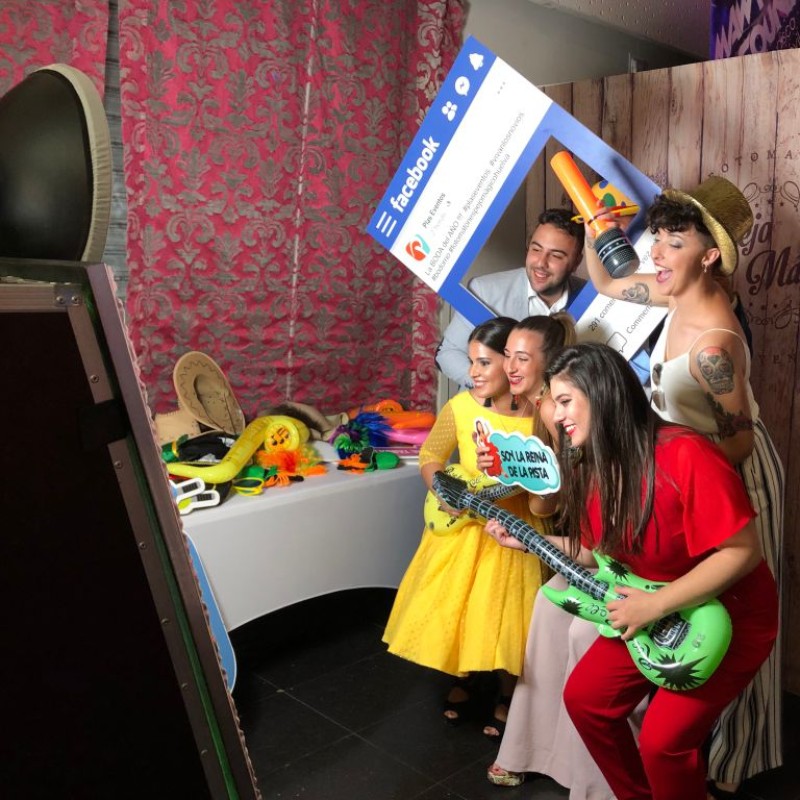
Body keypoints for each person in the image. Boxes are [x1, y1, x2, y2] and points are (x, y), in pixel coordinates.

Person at [487, 342, 779, 800]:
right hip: (654, 608)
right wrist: (528, 540)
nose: (557, 416)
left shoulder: (686, 453)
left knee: (663, 744)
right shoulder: (592, 464)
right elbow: (594, 554)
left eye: (565, 401)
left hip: (728, 615)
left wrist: (655, 605)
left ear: (601, 394)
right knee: (585, 701)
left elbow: (742, 553)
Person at [582, 176, 784, 798]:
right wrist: (594, 230)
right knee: (694, 610)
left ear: (710, 255)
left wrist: (670, 468)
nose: (657, 254)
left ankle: (734, 759)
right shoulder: (673, 292)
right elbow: (606, 283)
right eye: (658, 239)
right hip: (684, 471)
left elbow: (739, 443)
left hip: (729, 475)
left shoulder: (711, 345)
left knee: (734, 613)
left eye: (674, 242)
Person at [382, 316, 554, 738]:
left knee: (507, 612)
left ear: (511, 365)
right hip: (464, 527)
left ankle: (509, 690)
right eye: (471, 361)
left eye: (484, 362)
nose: (473, 372)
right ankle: (468, 674)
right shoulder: (460, 406)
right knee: (462, 609)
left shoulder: (541, 417)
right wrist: (442, 489)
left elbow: (546, 486)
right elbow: (431, 456)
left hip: (514, 527)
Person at [475, 311, 577, 741]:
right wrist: (504, 470)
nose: (510, 367)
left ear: (548, 363)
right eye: (507, 356)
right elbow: (541, 499)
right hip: (561, 533)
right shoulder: (536, 410)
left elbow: (553, 500)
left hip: (586, 541)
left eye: (522, 358)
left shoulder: (553, 410)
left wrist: (538, 483)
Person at [435, 208, 586, 389]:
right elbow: (447, 354)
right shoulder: (484, 292)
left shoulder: (591, 299)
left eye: (556, 256)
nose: (541, 263)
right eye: (536, 249)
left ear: (576, 262)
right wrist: (493, 388)